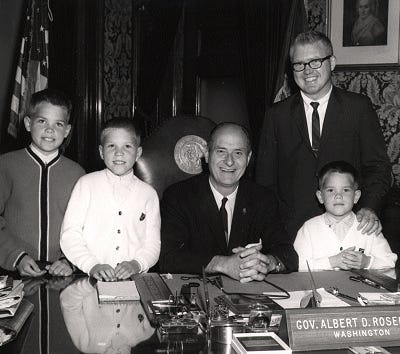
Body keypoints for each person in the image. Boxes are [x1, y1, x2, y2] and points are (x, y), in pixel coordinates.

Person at [256, 30, 391, 242]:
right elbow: (265, 181)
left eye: (315, 61)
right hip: (292, 233)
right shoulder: (276, 115)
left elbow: (378, 167)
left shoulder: (358, 108)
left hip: (350, 229)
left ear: (333, 62)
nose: (307, 70)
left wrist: (369, 208)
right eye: (299, 64)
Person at [159, 122, 298, 282]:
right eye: (221, 151)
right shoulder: (178, 196)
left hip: (249, 294)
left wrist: (268, 263)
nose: (229, 161)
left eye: (238, 153)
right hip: (196, 292)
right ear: (206, 153)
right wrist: (221, 264)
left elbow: (288, 254)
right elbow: (168, 258)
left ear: (249, 157)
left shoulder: (263, 198)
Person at [60, 118, 160, 281]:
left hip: (134, 281)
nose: (118, 152)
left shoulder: (148, 194)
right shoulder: (86, 184)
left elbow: (153, 243)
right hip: (89, 279)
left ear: (138, 153)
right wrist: (92, 265)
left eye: (127, 146)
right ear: (101, 152)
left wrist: (136, 264)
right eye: (111, 146)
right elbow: (70, 234)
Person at [0, 88, 85, 277]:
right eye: (42, 121)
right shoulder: (6, 165)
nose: (49, 130)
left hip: (63, 273)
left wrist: (70, 260)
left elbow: (88, 226)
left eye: (58, 124)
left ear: (67, 130)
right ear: (28, 123)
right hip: (14, 270)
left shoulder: (77, 173)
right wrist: (16, 256)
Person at [294, 161, 397, 271]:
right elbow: (298, 266)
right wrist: (332, 262)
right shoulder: (309, 228)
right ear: (320, 197)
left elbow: (389, 261)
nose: (338, 196)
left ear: (356, 196)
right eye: (330, 190)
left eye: (346, 190)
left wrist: (367, 262)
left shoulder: (368, 227)